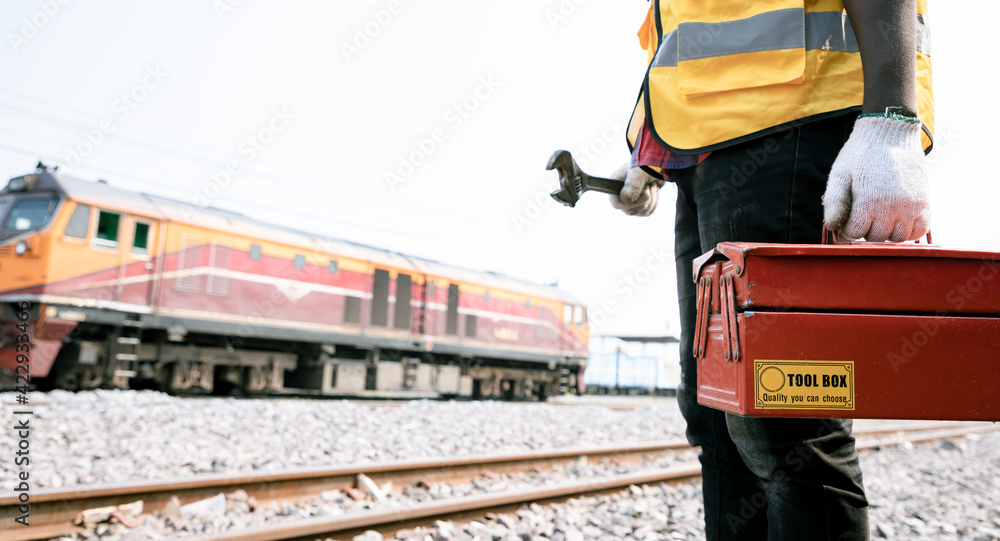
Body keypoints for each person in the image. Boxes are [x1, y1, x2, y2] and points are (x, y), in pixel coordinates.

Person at [608, 1, 933, 539]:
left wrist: (891, 116)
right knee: (715, 413)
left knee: (785, 422)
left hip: (797, 118)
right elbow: (685, 35)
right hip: (705, 154)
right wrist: (649, 150)